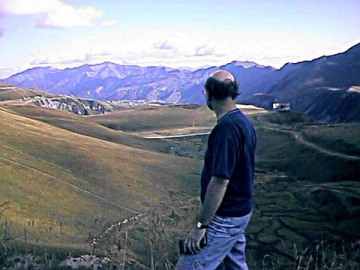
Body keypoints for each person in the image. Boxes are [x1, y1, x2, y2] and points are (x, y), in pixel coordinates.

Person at [175, 70, 257, 270]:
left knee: (190, 267)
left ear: (209, 94)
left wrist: (201, 226)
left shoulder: (226, 129)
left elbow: (220, 181)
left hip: (225, 216)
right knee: (234, 265)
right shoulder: (243, 122)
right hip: (240, 211)